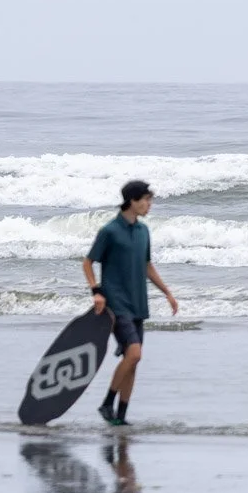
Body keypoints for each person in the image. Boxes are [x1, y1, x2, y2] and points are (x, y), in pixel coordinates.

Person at [82, 179, 178, 426]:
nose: (149, 205)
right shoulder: (110, 231)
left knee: (133, 362)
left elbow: (147, 266)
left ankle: (120, 417)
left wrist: (167, 292)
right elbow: (87, 262)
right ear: (132, 201)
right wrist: (96, 291)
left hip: (138, 303)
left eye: (150, 200)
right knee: (134, 354)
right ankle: (107, 403)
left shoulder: (143, 231)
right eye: (146, 200)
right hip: (116, 303)